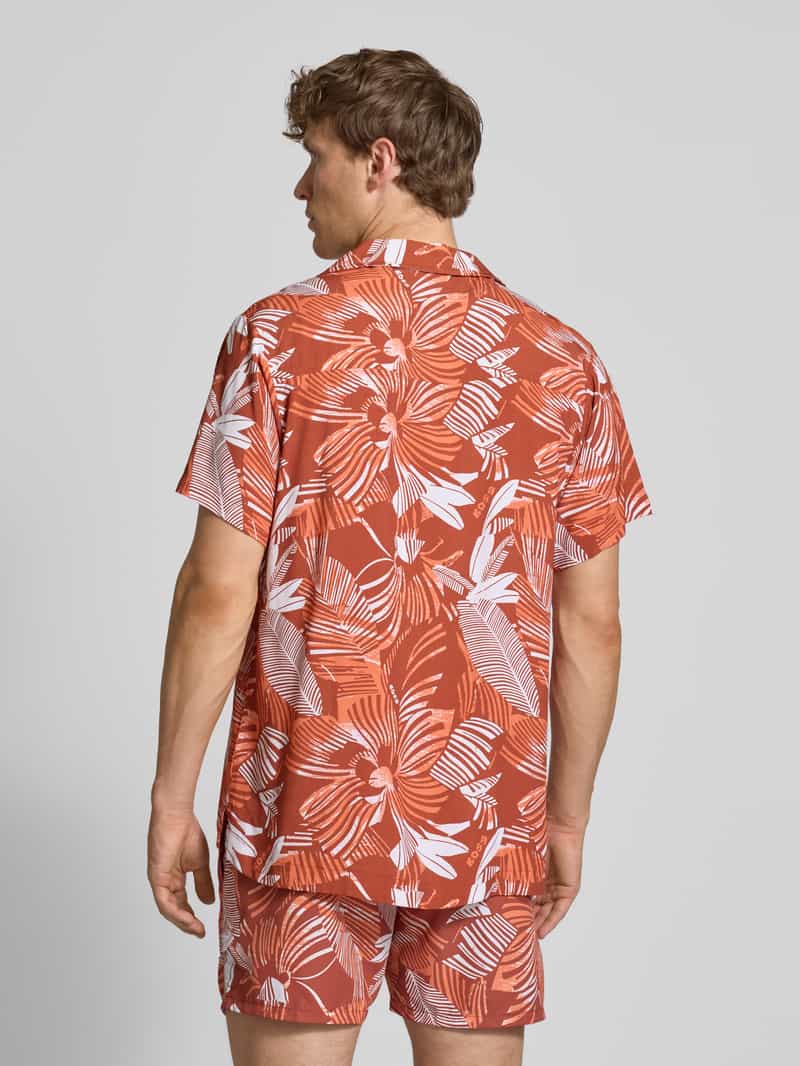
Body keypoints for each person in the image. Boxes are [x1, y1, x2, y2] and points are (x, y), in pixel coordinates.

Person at [148, 46, 654, 1066]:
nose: (302, 187)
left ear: (379, 162)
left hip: (304, 814)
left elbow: (216, 589)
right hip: (484, 819)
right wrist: (561, 821)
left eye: (315, 157)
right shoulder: (563, 362)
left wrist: (169, 797)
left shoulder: (276, 339)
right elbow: (591, 620)